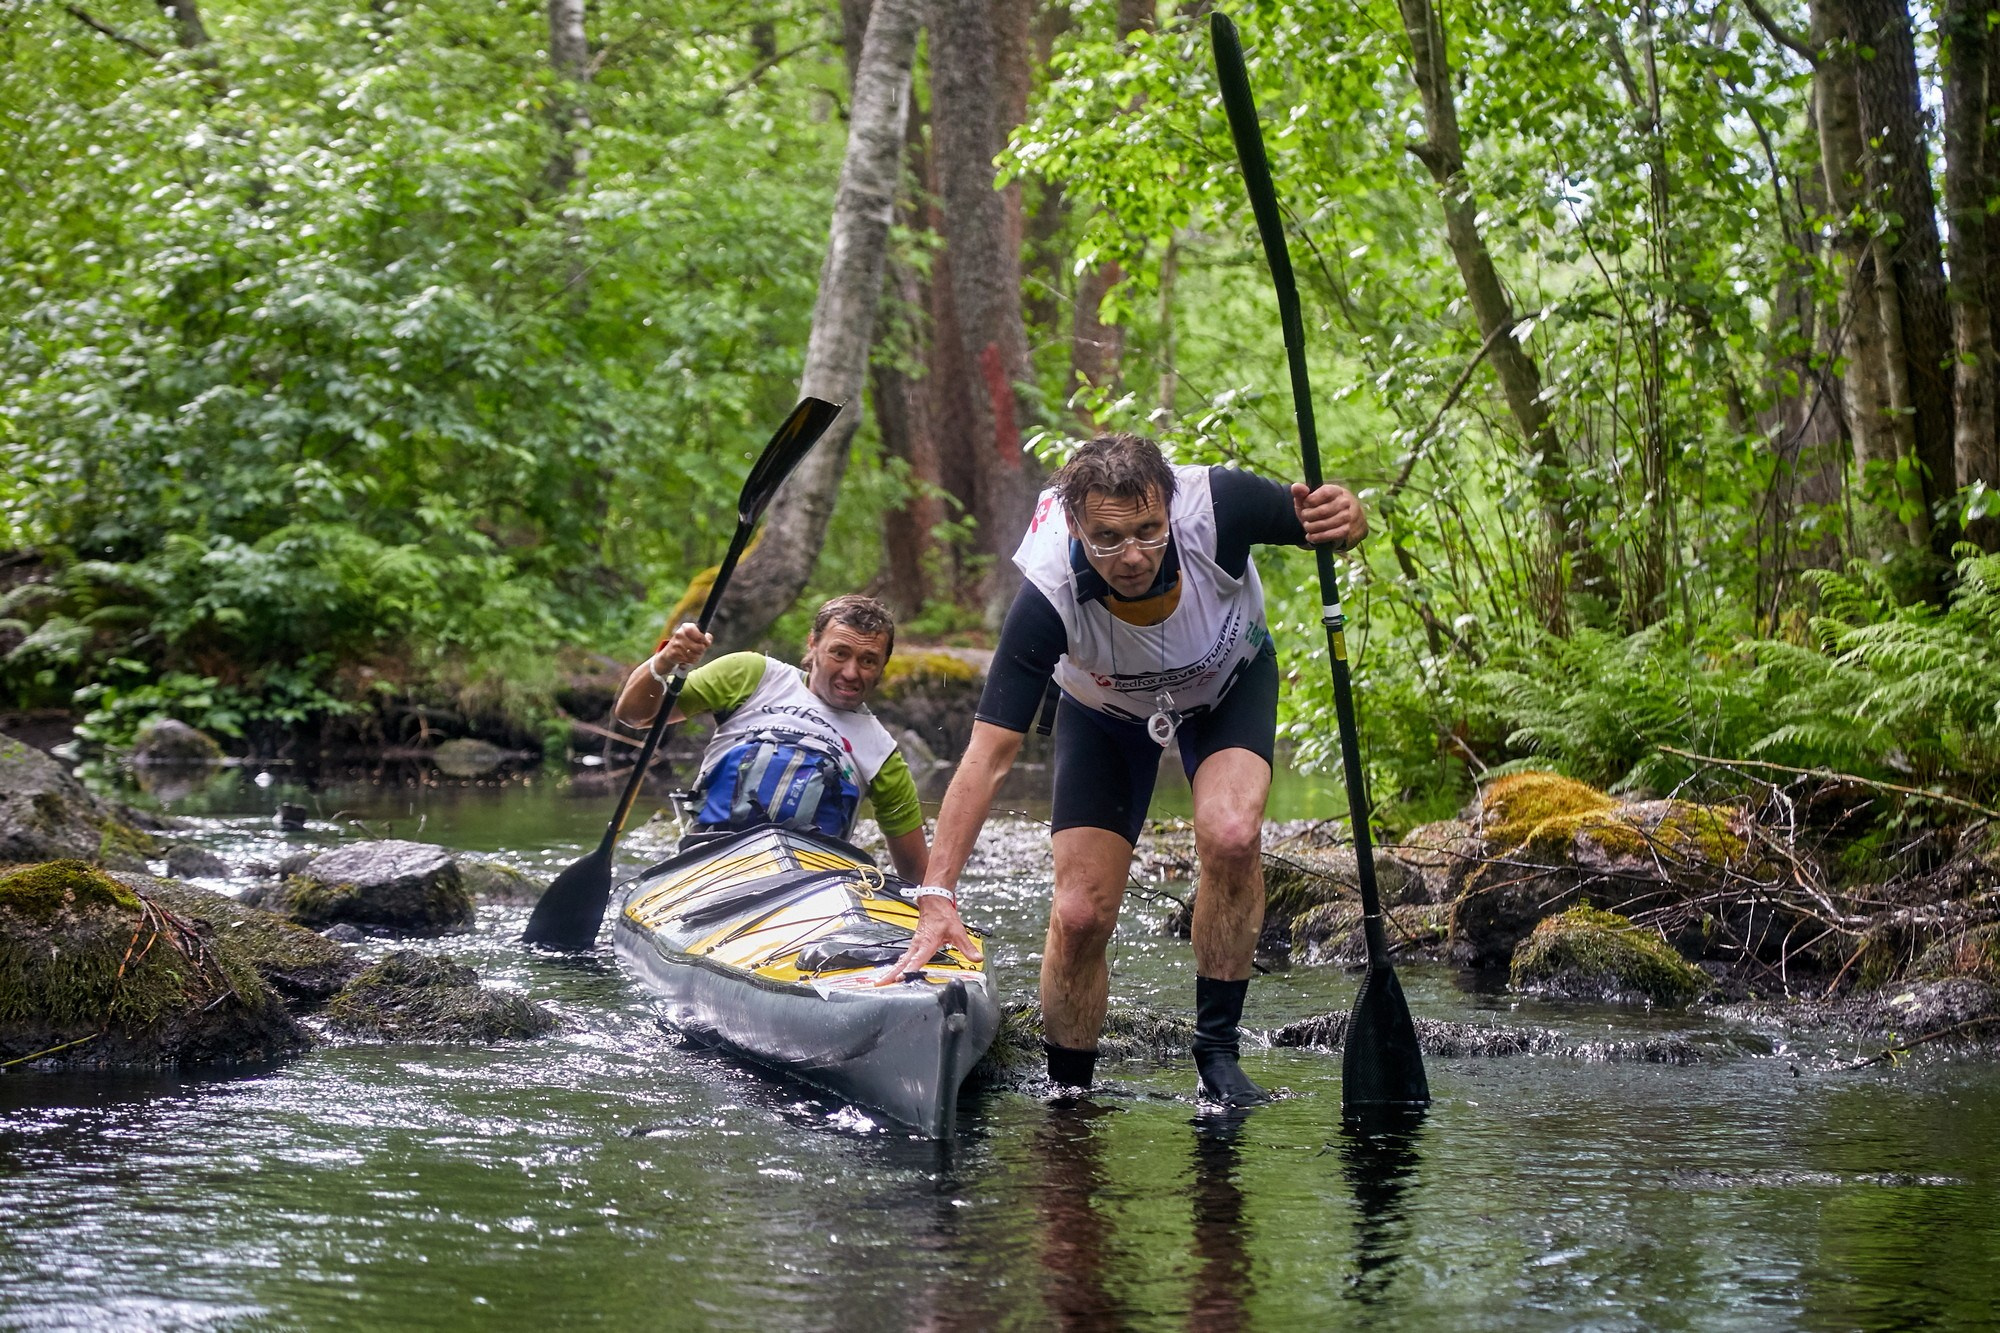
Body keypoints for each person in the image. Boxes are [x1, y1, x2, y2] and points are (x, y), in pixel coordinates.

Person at [881, 434, 1366, 1107]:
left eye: (1147, 530)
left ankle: (1218, 1053)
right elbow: (987, 758)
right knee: (1080, 913)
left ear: (1170, 508)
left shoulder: (1219, 503)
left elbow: (1328, 524)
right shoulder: (1047, 594)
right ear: (1076, 526)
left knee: (1229, 833)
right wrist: (937, 894)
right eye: (1108, 538)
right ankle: (1069, 1090)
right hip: (1102, 710)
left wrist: (1348, 516)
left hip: (1228, 684)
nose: (1133, 555)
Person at [613, 594, 929, 883]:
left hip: (812, 890)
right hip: (706, 864)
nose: (851, 672)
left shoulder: (882, 754)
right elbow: (634, 715)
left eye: (868, 660)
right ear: (813, 645)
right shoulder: (751, 675)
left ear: (882, 667)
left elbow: (918, 880)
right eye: (839, 653)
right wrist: (666, 660)